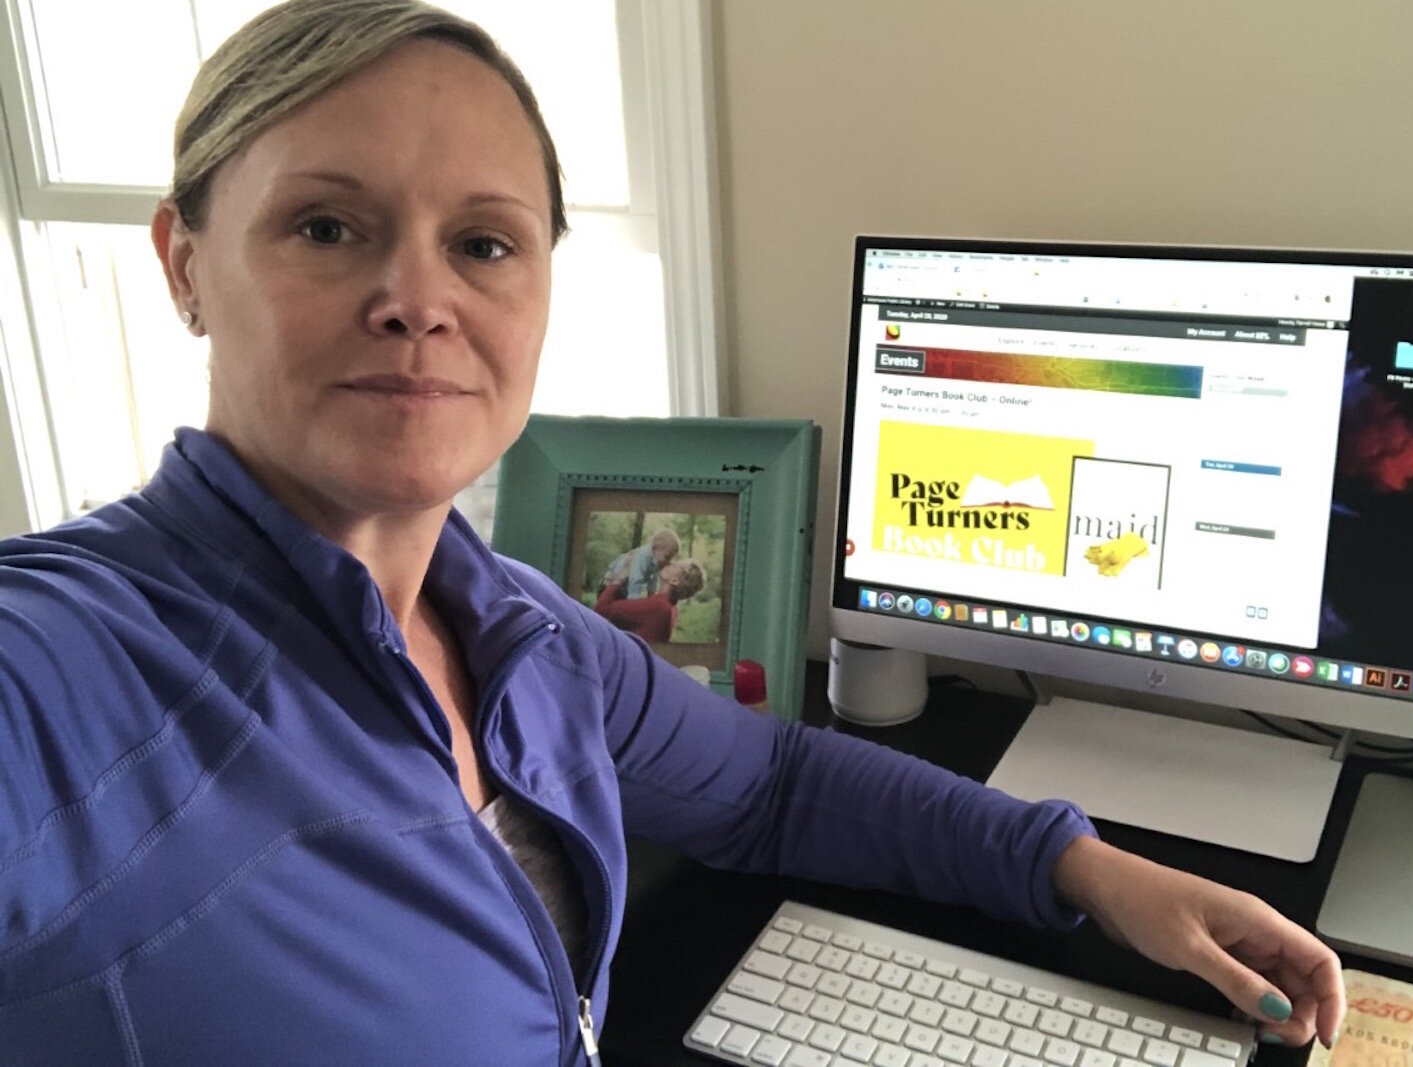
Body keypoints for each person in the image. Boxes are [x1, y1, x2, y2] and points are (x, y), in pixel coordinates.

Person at [0, 2, 1344, 1063]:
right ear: (184, 263)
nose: (417, 298)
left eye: (483, 244)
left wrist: (1083, 864)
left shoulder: (522, 630)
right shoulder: (69, 669)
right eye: (327, 226)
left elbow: (772, 785)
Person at [595, 557, 707, 643]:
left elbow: (602, 609)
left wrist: (619, 579)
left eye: (676, 565)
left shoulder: (659, 606)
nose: (671, 562)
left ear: (674, 581)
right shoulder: (671, 608)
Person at [600, 527, 680, 600]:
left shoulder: (656, 561)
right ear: (655, 548)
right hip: (609, 585)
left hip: (623, 589)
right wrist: (634, 599)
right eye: (667, 557)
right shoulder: (643, 555)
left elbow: (653, 580)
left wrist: (651, 596)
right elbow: (635, 578)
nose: (667, 562)